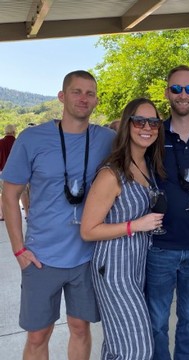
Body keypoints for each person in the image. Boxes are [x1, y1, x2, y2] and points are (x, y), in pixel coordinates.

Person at [1, 70, 115, 360]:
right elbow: (10, 195)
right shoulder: (32, 139)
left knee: (80, 326)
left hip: (87, 256)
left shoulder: (108, 140)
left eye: (90, 93)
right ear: (62, 96)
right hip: (41, 256)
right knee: (39, 334)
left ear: (96, 101)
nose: (83, 98)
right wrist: (18, 248)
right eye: (76, 92)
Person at [80, 98, 166, 360]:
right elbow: (88, 230)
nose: (147, 127)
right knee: (137, 349)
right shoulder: (111, 173)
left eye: (153, 122)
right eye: (140, 121)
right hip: (114, 271)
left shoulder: (147, 165)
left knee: (118, 345)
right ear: (127, 124)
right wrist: (135, 225)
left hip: (135, 268)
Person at [145, 65, 189, 360]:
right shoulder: (152, 134)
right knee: (157, 324)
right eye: (176, 89)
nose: (182, 95)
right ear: (167, 93)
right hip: (159, 247)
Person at [0, 124, 16, 220]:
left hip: (2, 171)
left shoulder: (0, 142)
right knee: (16, 194)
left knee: (2, 193)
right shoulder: (17, 142)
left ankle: (2, 215)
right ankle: (14, 214)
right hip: (16, 172)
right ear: (14, 132)